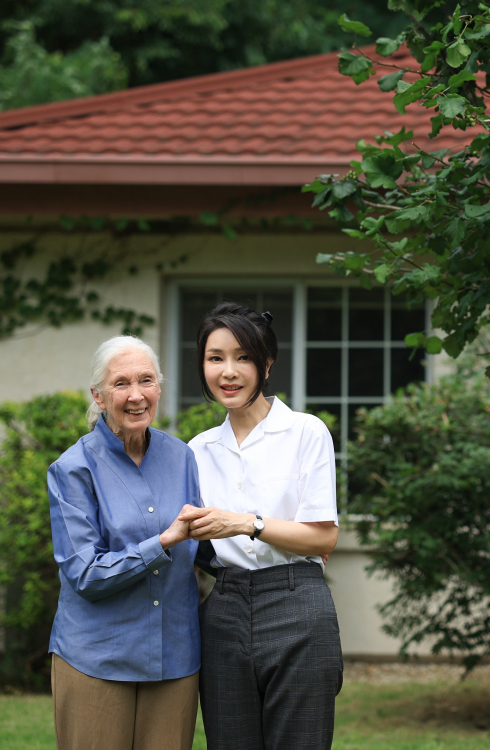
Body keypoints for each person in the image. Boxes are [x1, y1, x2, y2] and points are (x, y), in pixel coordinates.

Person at [181, 302, 342, 750]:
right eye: (215, 358)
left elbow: (324, 537)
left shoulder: (306, 433)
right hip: (224, 609)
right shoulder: (196, 451)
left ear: (267, 364)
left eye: (243, 357)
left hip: (298, 603)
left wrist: (246, 523)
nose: (228, 372)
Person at [46, 335, 203, 750]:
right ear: (98, 396)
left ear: (159, 389)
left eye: (146, 380)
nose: (136, 395)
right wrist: (162, 542)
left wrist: (277, 541)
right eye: (121, 383)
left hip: (174, 657)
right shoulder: (72, 469)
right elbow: (85, 573)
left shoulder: (182, 457)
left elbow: (201, 543)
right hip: (97, 659)